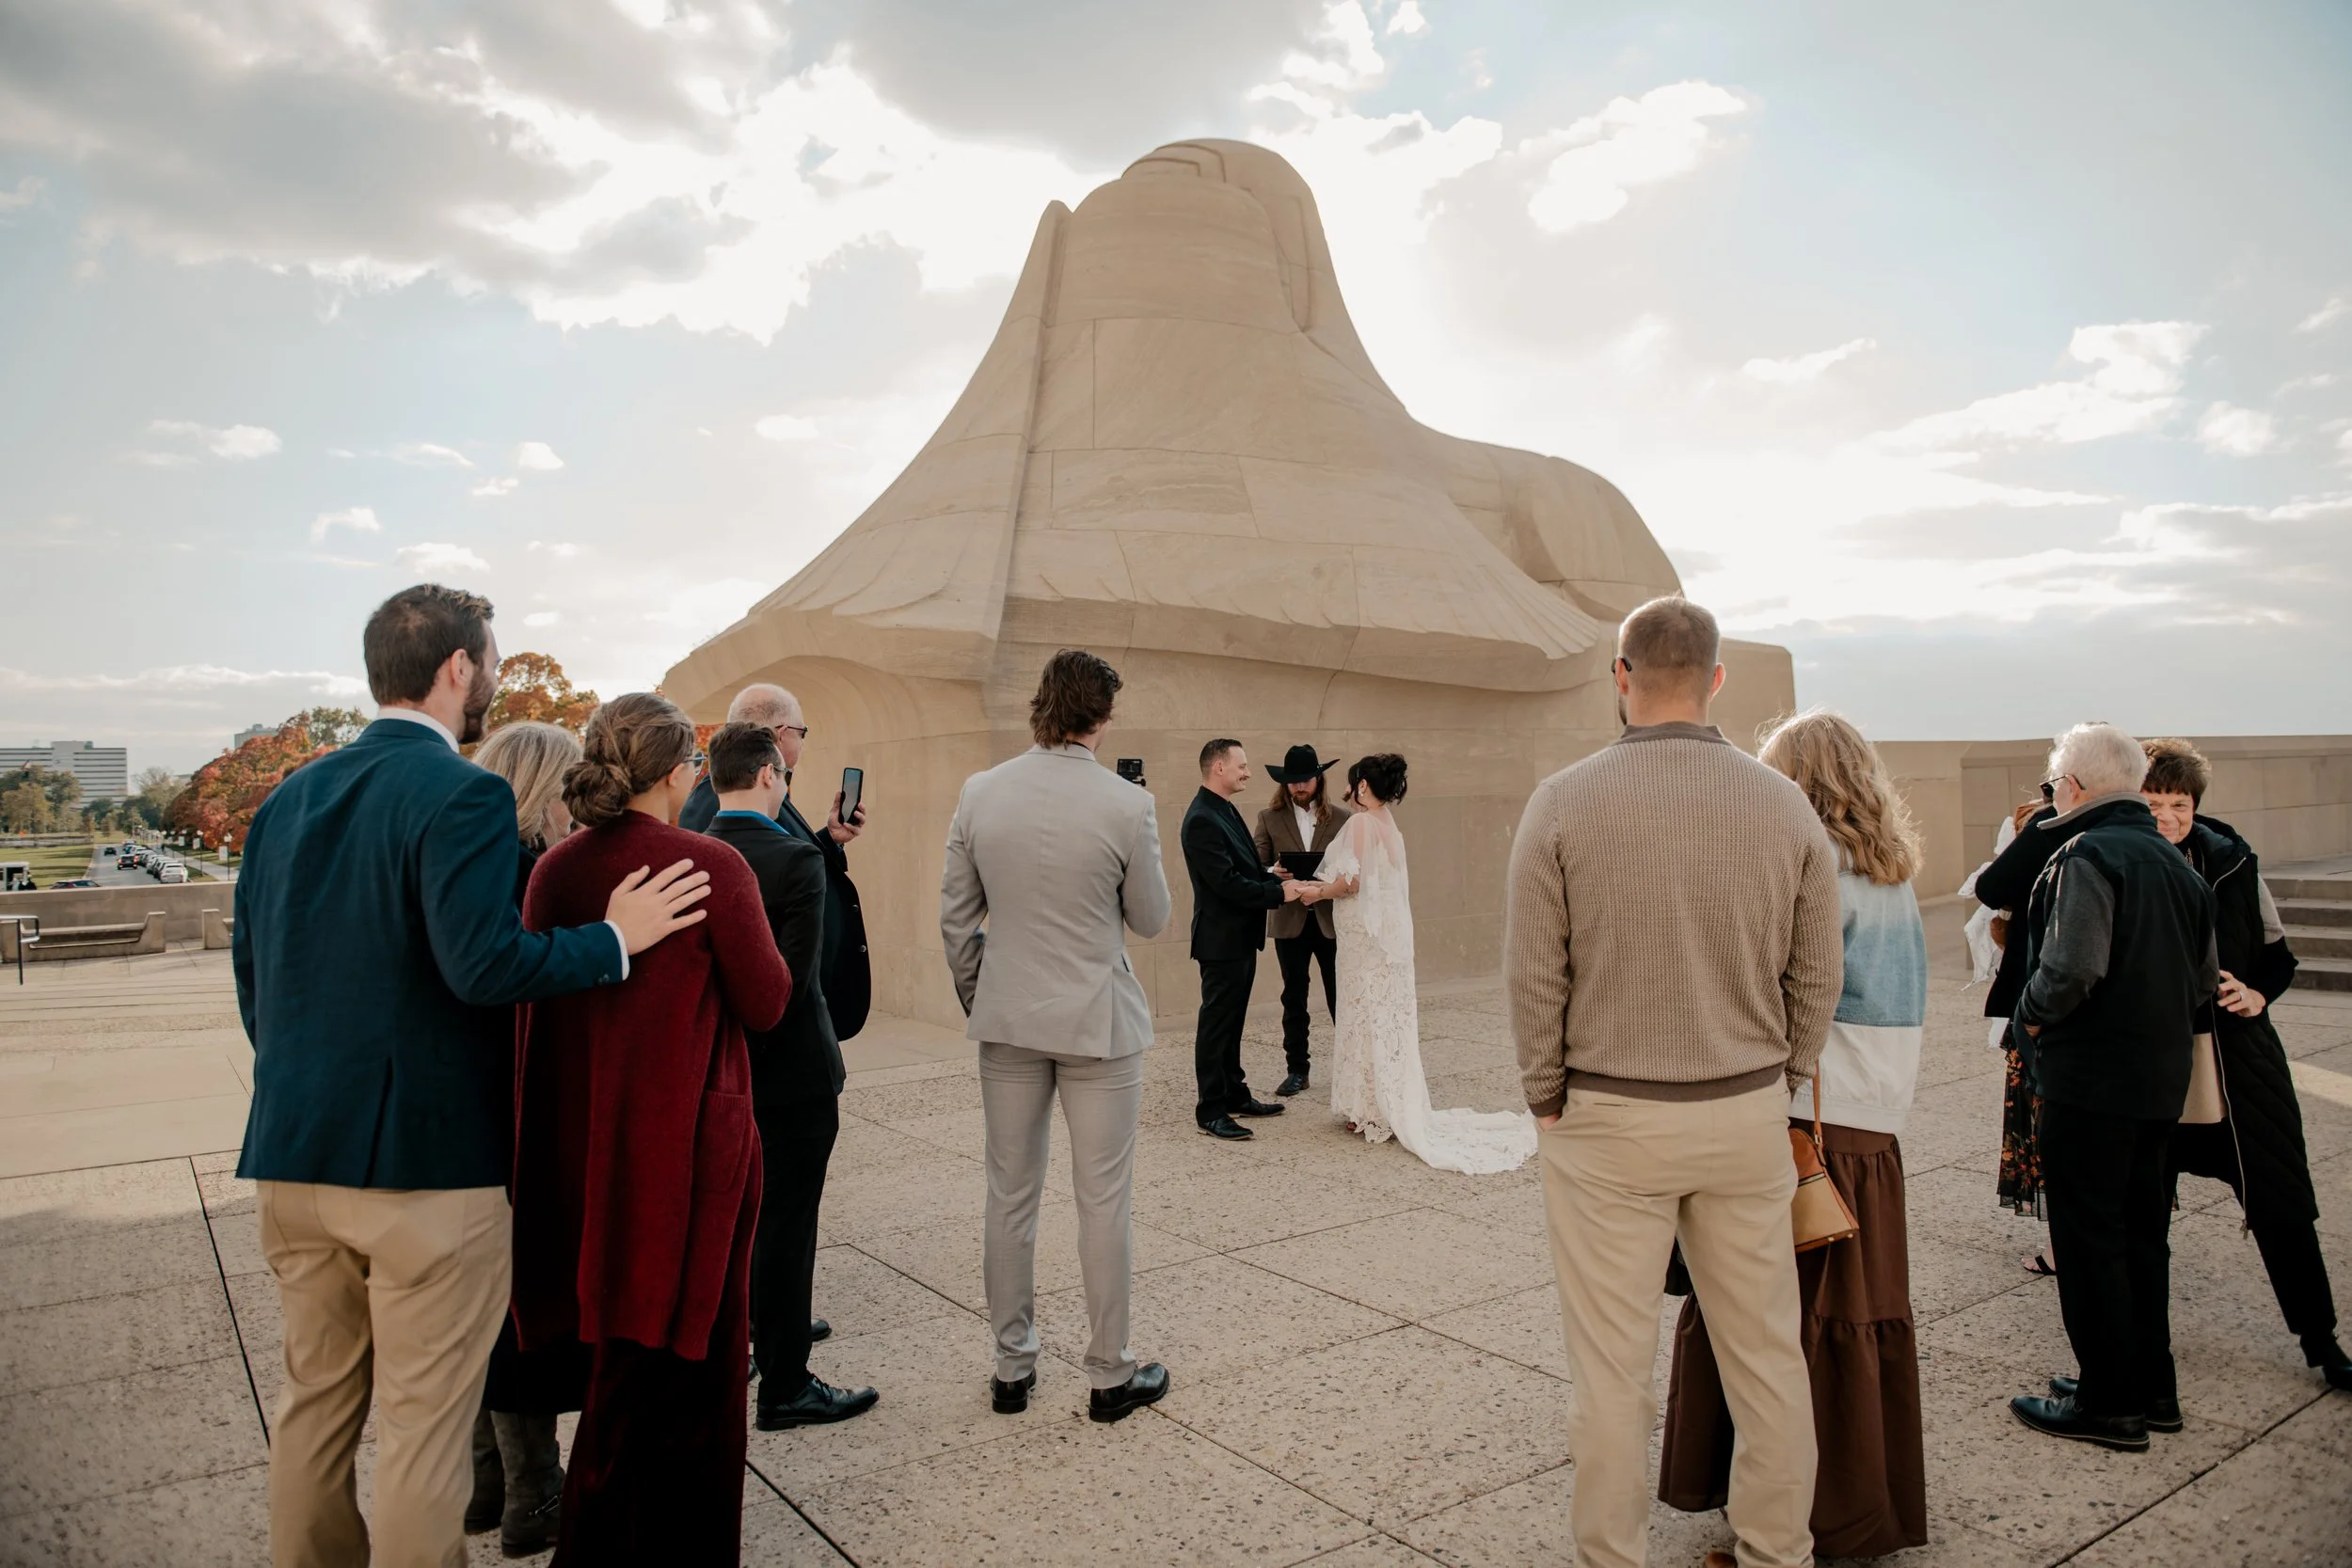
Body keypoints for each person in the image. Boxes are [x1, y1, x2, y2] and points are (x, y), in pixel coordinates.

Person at [232, 585, 711, 1568]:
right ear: (458, 666)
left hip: (289, 1155)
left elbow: (255, 980)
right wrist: (613, 939)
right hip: (425, 1170)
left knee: (313, 1411)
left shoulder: (288, 799)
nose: (493, 674)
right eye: (489, 659)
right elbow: (484, 965)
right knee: (421, 1427)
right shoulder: (464, 793)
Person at [1504, 594, 1839, 1568]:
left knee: (1610, 1373)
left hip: (1607, 1115)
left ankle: (1613, 1555)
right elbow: (1818, 971)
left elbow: (1534, 974)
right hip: (1743, 1109)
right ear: (1717, 678)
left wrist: (1544, 1092)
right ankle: (1777, 1552)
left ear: (1620, 674)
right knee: (1767, 1358)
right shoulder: (1783, 804)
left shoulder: (1561, 800)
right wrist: (1788, 1072)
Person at [510, 693, 790, 1563]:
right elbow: (768, 1001)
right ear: (676, 772)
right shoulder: (711, 866)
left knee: (618, 1356)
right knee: (701, 1367)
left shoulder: (556, 870)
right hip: (691, 1147)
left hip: (587, 1140)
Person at [1659, 710, 1930, 1558]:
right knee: (1852, 1313)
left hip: (1810, 1122)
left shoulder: (1809, 866)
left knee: (1777, 1324)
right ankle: (1857, 1504)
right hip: (1873, 1124)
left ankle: (1793, 1523)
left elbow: (1769, 993)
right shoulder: (1890, 871)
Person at [939, 650, 1176, 1422]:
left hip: (1009, 1017)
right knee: (1103, 1198)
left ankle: (1012, 1367)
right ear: (1102, 716)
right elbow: (1152, 918)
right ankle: (1109, 1373)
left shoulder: (980, 791)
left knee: (1009, 1194)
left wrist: (985, 995)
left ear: (1041, 705)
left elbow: (956, 919)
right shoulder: (1127, 803)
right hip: (1096, 1020)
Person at [2006, 722, 2217, 1452]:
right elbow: (2201, 981)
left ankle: (2109, 1404)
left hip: (2090, 1083)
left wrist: (2028, 1018)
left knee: (2090, 1240)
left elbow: (2071, 968)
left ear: (2074, 786)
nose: (2052, 795)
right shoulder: (2179, 865)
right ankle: (2150, 1390)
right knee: (2142, 1237)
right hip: (2159, 1083)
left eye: (2053, 784)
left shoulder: (2086, 854)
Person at [2140, 737, 2351, 1392]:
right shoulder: (2119, 860)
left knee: (2281, 1201)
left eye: (2178, 803)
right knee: (2141, 1217)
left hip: (2238, 1063)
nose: (2167, 816)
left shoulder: (2233, 861)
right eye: (2152, 803)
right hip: (2152, 1068)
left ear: (2195, 805)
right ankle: (2143, 1357)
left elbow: (2278, 957)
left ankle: (2322, 1342)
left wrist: (2257, 994)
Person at [701, 721, 879, 1429]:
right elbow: (793, 982)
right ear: (769, 774)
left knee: (740, 1223)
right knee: (788, 1225)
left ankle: (753, 1344)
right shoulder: (793, 858)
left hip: (721, 1069)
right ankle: (786, 1384)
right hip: (794, 1074)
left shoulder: (697, 850)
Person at [466, 719, 591, 1557]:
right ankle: (534, 1489)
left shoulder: (464, 870)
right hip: (514, 1115)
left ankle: (485, 1482)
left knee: (479, 1308)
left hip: (465, 1118)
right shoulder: (529, 876)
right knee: (519, 1313)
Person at [1310, 752, 1535, 1174]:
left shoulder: (1361, 823)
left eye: (1353, 781)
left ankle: (1371, 1108)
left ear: (1362, 786)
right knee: (1385, 1018)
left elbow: (1352, 883)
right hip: (1387, 944)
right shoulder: (1389, 825)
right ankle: (1383, 1101)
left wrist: (1315, 892)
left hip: (1365, 944)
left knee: (1364, 1015)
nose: (1347, 788)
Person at [680, 682, 872, 1038]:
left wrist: (829, 839)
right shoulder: (723, 799)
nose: (802, 742)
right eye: (802, 732)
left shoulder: (748, 791)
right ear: (782, 734)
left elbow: (773, 861)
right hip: (775, 1020)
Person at [1183, 739, 1316, 1140]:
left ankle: (1234, 1093)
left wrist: (1271, 876)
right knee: (1216, 1024)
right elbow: (1225, 883)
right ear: (1219, 767)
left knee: (1233, 1021)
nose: (1248, 772)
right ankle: (1210, 1109)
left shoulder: (1223, 809)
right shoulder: (1202, 818)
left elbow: (1244, 868)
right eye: (1241, 765)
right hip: (1220, 939)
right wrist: (1278, 894)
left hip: (1240, 937)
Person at [1973, 781, 2073, 1271]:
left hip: (2049, 1009)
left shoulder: (2053, 826)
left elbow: (1992, 887)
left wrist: (2047, 818)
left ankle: (2067, 1243)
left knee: (2052, 1127)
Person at [1253, 744, 1351, 1097]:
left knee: (1341, 996)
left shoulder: (1342, 818)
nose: (1299, 786)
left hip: (1331, 920)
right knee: (1294, 998)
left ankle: (1351, 1070)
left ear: (1318, 779)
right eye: (1293, 780)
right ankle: (1297, 1070)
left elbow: (1353, 867)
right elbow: (1255, 864)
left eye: (1305, 779)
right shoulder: (1269, 817)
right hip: (1289, 920)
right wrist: (1273, 872)